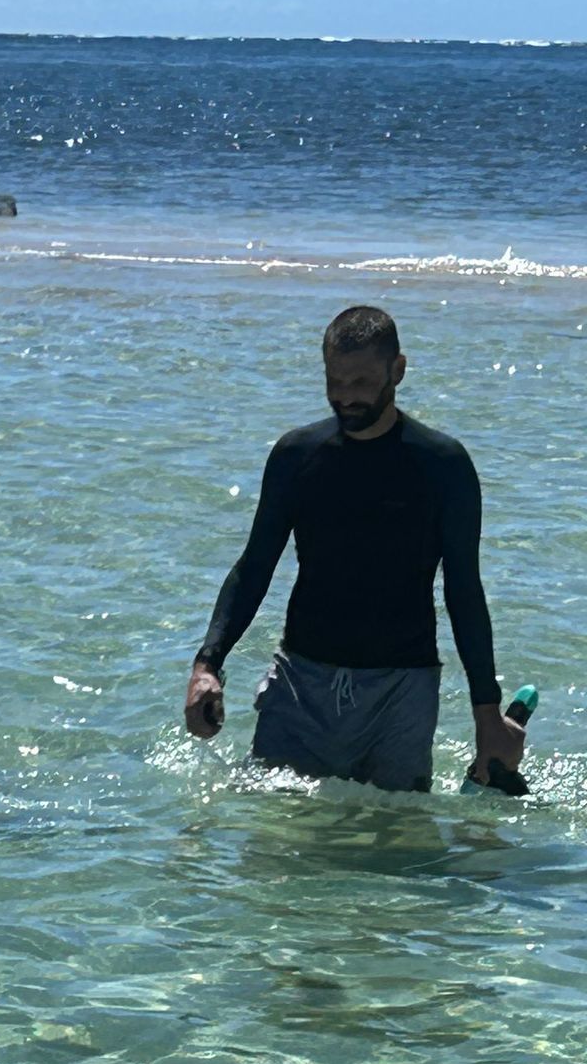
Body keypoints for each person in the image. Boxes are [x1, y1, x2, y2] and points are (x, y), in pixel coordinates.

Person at [184, 306, 523, 794]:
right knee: (272, 853)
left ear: (398, 370)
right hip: (300, 686)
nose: (346, 397)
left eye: (362, 382)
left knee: (390, 855)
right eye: (334, 381)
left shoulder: (443, 465)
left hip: (402, 693)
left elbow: (464, 591)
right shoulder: (296, 457)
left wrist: (487, 714)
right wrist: (207, 665)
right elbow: (255, 566)